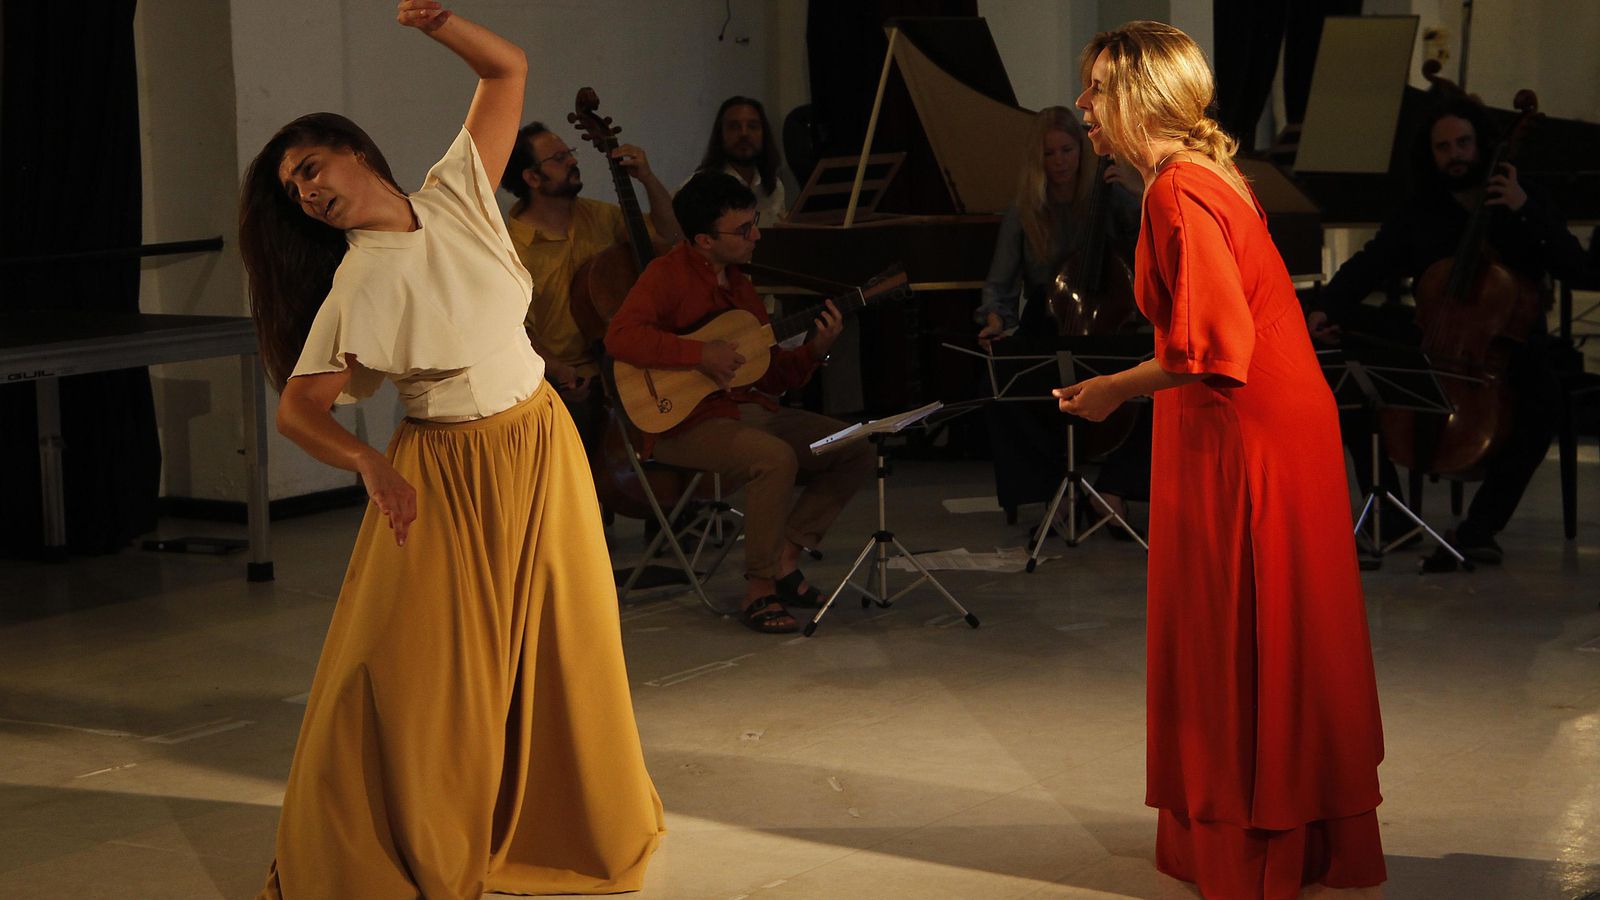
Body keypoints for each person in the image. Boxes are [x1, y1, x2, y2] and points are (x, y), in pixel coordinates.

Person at [237, 3, 662, 896]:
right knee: (420, 672)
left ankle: (556, 822)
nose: (308, 191)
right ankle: (386, 839)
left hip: (541, 442)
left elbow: (506, 71)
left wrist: (440, 23)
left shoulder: (460, 193)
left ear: (357, 152)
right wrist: (371, 462)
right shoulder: (356, 280)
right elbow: (299, 411)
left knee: (563, 640)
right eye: (294, 190)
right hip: (449, 471)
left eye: (311, 167)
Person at [1059, 22, 1386, 899]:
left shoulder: (1176, 191)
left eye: (1094, 90)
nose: (1082, 106)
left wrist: (1112, 390)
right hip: (1252, 422)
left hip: (1246, 432)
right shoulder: (1202, 176)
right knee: (1266, 630)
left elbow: (1213, 347)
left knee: (1241, 628)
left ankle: (1254, 845)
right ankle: (1282, 830)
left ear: (1135, 96)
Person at [1309, 96, 1586, 568]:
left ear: (1481, 144)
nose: (1455, 155)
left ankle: (1480, 529)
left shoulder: (1524, 198)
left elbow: (1575, 266)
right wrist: (1326, 309)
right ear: (1431, 155)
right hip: (1435, 344)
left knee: (1545, 399)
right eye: (1443, 148)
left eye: (1463, 143)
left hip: (1508, 351)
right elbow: (1372, 262)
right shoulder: (1422, 209)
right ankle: (1389, 516)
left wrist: (1523, 210)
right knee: (1353, 376)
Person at [605, 171, 875, 634]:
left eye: (754, 223)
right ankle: (760, 589)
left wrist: (813, 350)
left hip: (747, 410)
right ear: (705, 239)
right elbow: (620, 337)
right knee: (773, 458)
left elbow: (764, 373)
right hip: (679, 422)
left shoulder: (740, 284)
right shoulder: (666, 275)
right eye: (745, 229)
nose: (757, 235)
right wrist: (699, 353)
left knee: (855, 445)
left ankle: (786, 558)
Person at [973, 105, 1146, 532]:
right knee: (997, 389)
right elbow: (1000, 283)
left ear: (1081, 151)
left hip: (1108, 324)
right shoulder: (1024, 211)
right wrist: (995, 317)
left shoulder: (1110, 195)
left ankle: (1114, 490)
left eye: (1068, 150)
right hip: (1046, 325)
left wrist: (1141, 193)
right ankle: (1053, 490)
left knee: (1163, 386)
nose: (1060, 161)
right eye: (1050, 154)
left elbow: (1159, 243)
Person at [500, 119, 681, 454]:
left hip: (625, 365)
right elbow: (514, 330)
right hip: (559, 382)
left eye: (569, 152)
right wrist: (558, 371)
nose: (572, 161)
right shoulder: (509, 247)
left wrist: (648, 179)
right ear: (532, 178)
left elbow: (669, 241)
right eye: (558, 158)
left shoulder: (602, 217)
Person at [695, 96, 787, 221]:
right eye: (734, 126)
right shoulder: (699, 187)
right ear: (720, 135)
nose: (744, 133)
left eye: (752, 126)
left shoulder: (774, 187)